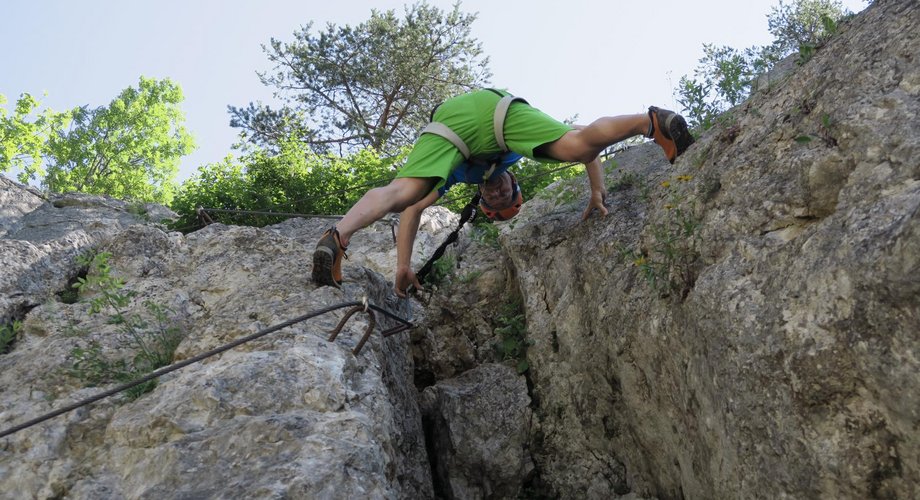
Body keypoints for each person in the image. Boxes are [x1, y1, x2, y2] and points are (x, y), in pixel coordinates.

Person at [312, 88, 694, 297]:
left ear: (485, 194)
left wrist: (402, 266)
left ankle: (652, 124)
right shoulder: (509, 153)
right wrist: (597, 190)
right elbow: (583, 136)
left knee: (404, 191)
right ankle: (337, 238)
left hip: (459, 122)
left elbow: (410, 210)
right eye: (503, 197)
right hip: (484, 113)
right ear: (514, 185)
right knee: (574, 141)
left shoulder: (463, 174)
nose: (497, 192)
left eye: (495, 199)